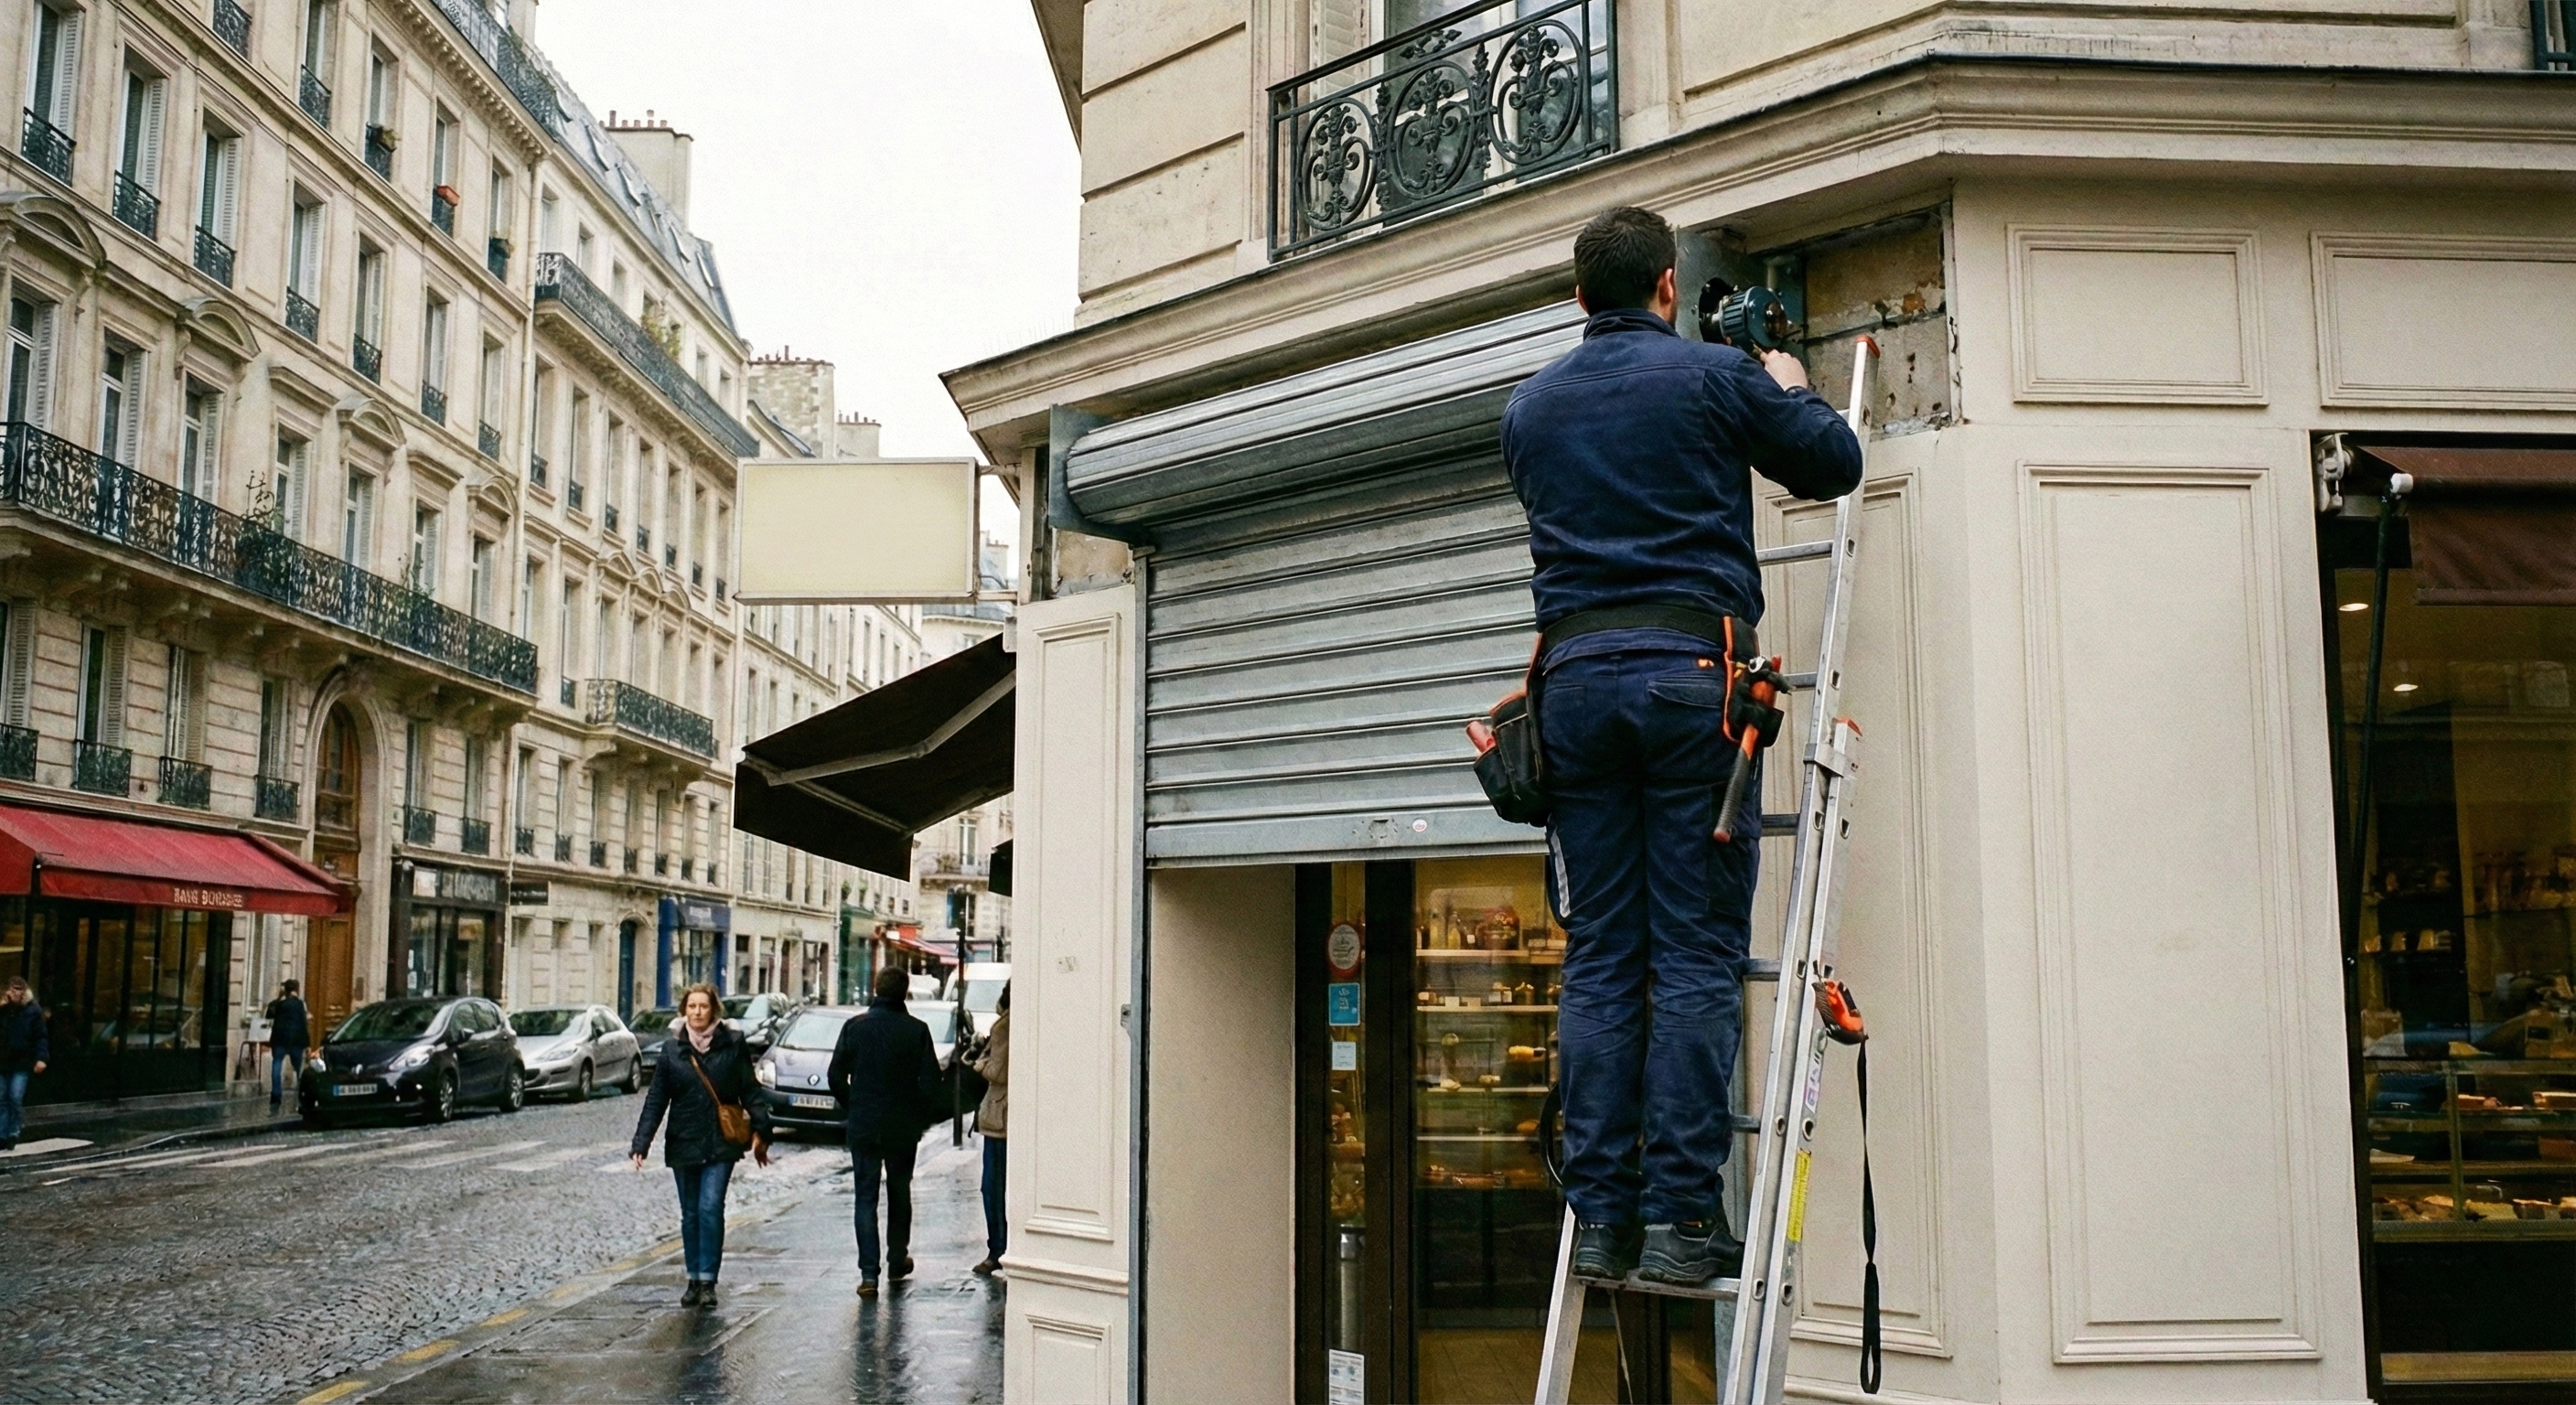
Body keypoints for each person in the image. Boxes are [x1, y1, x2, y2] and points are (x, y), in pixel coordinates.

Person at [1501, 206, 1863, 1286]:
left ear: (1578, 297)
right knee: (1697, 956)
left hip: (1571, 691)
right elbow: (1832, 462)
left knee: (1603, 957)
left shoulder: (1527, 407)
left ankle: (1601, 1220)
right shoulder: (1712, 377)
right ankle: (1678, 1221)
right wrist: (1786, 379)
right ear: (1667, 284)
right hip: (1688, 681)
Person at [630, 981, 772, 1308]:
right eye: (692, 1006)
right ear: (684, 1011)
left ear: (713, 1011)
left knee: (710, 1208)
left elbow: (750, 1089)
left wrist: (762, 1128)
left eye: (703, 1006)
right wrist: (642, 1142)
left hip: (721, 1141)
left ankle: (708, 1281)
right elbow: (656, 1098)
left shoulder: (732, 1044)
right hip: (684, 1141)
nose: (697, 1012)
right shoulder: (672, 1050)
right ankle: (693, 1278)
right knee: (691, 1214)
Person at [829, 965, 941, 1296]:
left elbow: (835, 1076)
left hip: (864, 1124)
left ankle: (868, 1274)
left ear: (875, 989)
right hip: (902, 1125)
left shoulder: (855, 1027)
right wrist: (917, 1113)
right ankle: (896, 1258)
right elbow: (931, 1082)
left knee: (865, 1197)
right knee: (899, 1191)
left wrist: (855, 1105)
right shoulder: (916, 1030)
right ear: (904, 992)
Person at [969, 982, 1010, 1275]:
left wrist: (978, 1063)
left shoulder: (1003, 1026)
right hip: (1009, 1113)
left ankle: (998, 1249)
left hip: (1000, 1114)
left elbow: (997, 1072)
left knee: (993, 1187)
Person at [0, 976, 46, 1152]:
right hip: (3, 1061)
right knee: (2, 1099)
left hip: (22, 1061)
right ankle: (2, 1134)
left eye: (18, 989)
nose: (14, 992)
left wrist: (41, 1058)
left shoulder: (33, 1011)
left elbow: (41, 1036)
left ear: (24, 991)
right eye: (12, 989)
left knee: (15, 1097)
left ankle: (14, 1131)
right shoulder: (4, 1009)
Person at [263, 980, 311, 1111]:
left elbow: (269, 1014)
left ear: (285, 990)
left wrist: (279, 997)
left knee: (276, 1065)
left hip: (280, 1039)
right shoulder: (300, 1004)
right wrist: (308, 1044)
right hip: (296, 1040)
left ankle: (276, 1095)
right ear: (297, 989)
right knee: (299, 1069)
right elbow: (304, 1023)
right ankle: (301, 1093)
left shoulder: (280, 1004)